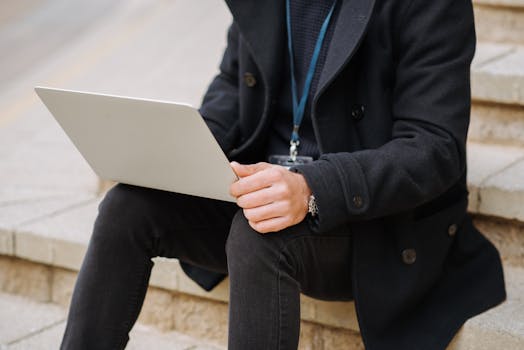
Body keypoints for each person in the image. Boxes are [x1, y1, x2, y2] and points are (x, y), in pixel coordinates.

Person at [60, 0, 506, 349]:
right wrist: (176, 154)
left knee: (260, 234)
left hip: (367, 222)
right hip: (264, 190)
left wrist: (314, 187)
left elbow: (433, 148)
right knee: (127, 206)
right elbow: (230, 94)